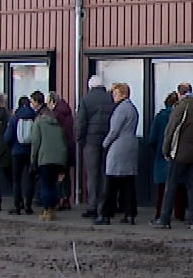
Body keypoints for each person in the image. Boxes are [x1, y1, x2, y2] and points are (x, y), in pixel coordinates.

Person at [157, 88, 193, 228]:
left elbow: (170, 131)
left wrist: (166, 150)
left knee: (171, 186)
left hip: (178, 154)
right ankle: (192, 221)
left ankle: (164, 219)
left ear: (180, 94)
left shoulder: (180, 109)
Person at [97, 82, 140, 226]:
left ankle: (105, 214)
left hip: (118, 148)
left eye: (115, 93)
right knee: (128, 183)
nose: (113, 96)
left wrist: (105, 143)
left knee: (111, 182)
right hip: (131, 146)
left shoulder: (121, 109)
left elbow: (114, 130)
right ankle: (130, 214)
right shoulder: (133, 108)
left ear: (123, 94)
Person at [75, 76, 115, 211]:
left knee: (92, 175)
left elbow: (81, 123)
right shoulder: (110, 98)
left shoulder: (86, 100)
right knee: (105, 174)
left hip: (91, 142)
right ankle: (105, 204)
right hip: (108, 142)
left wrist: (80, 140)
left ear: (90, 86)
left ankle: (93, 205)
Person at [29, 102, 70, 221]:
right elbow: (63, 142)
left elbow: (35, 142)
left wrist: (33, 159)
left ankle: (46, 210)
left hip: (45, 158)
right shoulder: (57, 124)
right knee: (53, 185)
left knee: (45, 185)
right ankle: (52, 210)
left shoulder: (38, 123)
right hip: (59, 159)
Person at [144, 91, 176, 221]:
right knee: (178, 187)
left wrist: (157, 148)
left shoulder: (160, 117)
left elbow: (152, 138)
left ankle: (159, 213)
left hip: (161, 155)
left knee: (162, 188)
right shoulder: (179, 117)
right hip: (176, 154)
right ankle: (179, 214)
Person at [8, 95, 37, 214]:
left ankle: (17, 206)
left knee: (16, 180)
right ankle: (28, 206)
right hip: (30, 152)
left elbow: (7, 137)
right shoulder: (34, 117)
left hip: (16, 152)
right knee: (30, 179)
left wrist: (12, 146)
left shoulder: (14, 118)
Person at [50, 93, 76, 210]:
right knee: (65, 173)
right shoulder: (67, 112)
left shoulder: (56, 114)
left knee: (59, 174)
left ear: (52, 102)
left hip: (59, 146)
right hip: (69, 145)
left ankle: (60, 199)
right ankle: (66, 198)